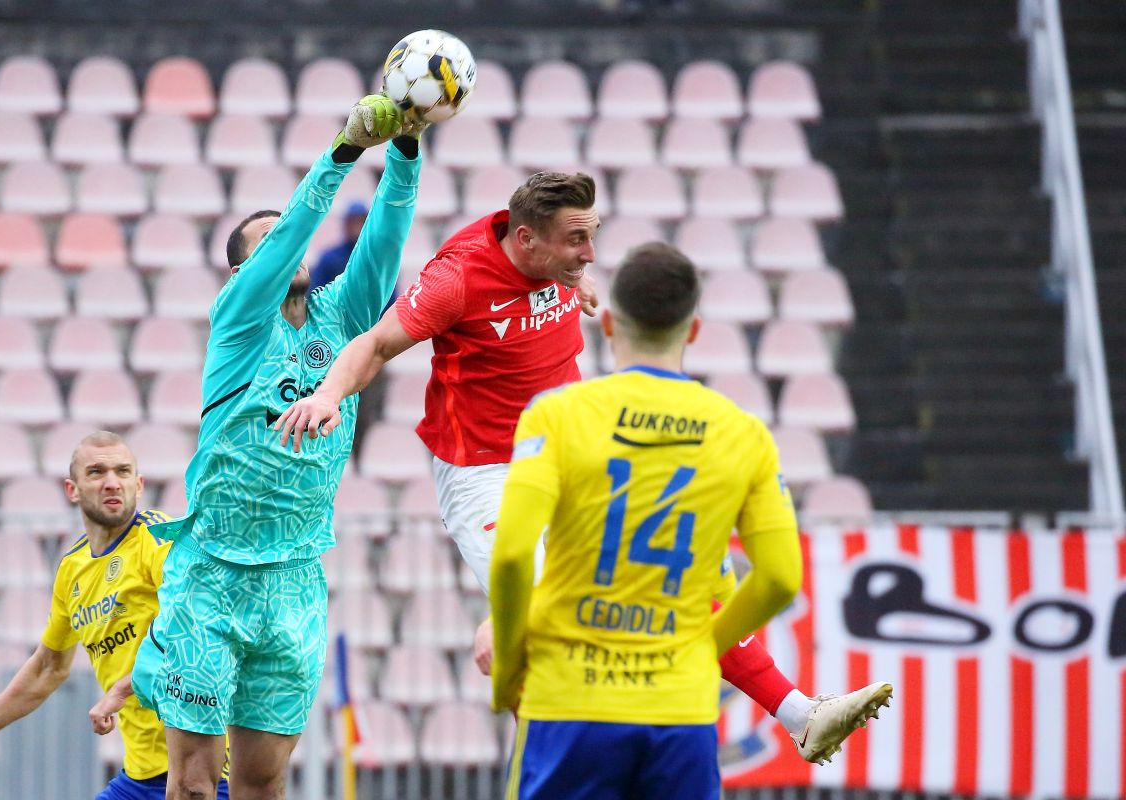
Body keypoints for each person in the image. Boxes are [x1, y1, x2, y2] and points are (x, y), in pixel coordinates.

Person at [273, 171, 890, 764]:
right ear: (526, 239)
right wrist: (328, 395)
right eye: (577, 240)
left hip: (570, 456)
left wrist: (573, 278)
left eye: (592, 236)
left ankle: (800, 715)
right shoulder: (457, 279)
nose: (590, 253)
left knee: (677, 585)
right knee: (547, 630)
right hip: (486, 473)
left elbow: (564, 272)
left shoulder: (553, 261)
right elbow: (377, 343)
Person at [127, 94, 423, 800]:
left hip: (294, 582)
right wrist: (342, 152)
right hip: (212, 576)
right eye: (266, 242)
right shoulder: (237, 321)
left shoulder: (341, 315)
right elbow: (294, 233)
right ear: (241, 274)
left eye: (283, 236)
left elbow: (385, 239)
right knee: (193, 784)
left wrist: (405, 151)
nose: (287, 247)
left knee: (263, 782)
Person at [487, 243, 826, 797]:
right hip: (679, 710)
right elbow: (781, 579)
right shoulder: (745, 436)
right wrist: (703, 645)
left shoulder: (555, 415)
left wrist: (507, 675)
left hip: (569, 701)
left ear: (608, 324)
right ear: (693, 330)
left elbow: (511, 556)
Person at [0, 432, 229, 800]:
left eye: (122, 471)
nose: (112, 482)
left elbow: (197, 631)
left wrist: (121, 689)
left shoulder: (158, 539)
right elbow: (48, 666)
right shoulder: (73, 568)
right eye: (97, 472)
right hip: (142, 774)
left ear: (139, 484)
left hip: (204, 768)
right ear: (72, 489)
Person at [309, 200, 368, 292]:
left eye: (361, 221)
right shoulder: (329, 258)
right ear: (346, 224)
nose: (356, 226)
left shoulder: (373, 257)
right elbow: (316, 292)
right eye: (352, 221)